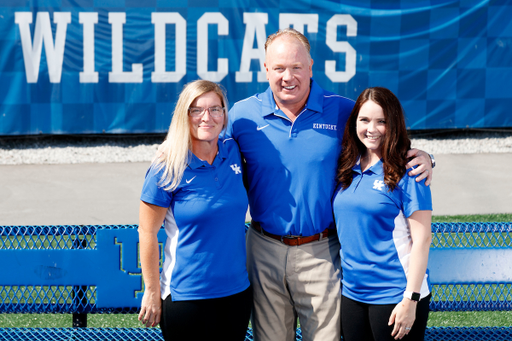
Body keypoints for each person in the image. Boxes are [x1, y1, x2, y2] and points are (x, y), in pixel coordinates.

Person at [226, 28, 434, 341]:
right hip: (264, 248)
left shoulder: (343, 111)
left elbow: (381, 140)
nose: (288, 76)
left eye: (297, 67)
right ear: (265, 69)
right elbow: (207, 153)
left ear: (311, 66)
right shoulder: (241, 116)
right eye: (279, 68)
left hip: (322, 250)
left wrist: (427, 158)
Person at [137, 80, 252, 341]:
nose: (206, 117)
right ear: (184, 115)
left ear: (225, 114)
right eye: (196, 110)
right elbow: (147, 232)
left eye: (215, 109)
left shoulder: (233, 152)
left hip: (236, 294)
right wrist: (152, 291)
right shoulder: (166, 168)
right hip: (187, 296)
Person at [333, 87, 432, 341]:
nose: (371, 128)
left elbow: (422, 240)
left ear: (394, 124)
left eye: (381, 121)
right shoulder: (347, 165)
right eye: (364, 120)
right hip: (353, 294)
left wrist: (411, 300)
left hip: (395, 295)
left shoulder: (410, 172)